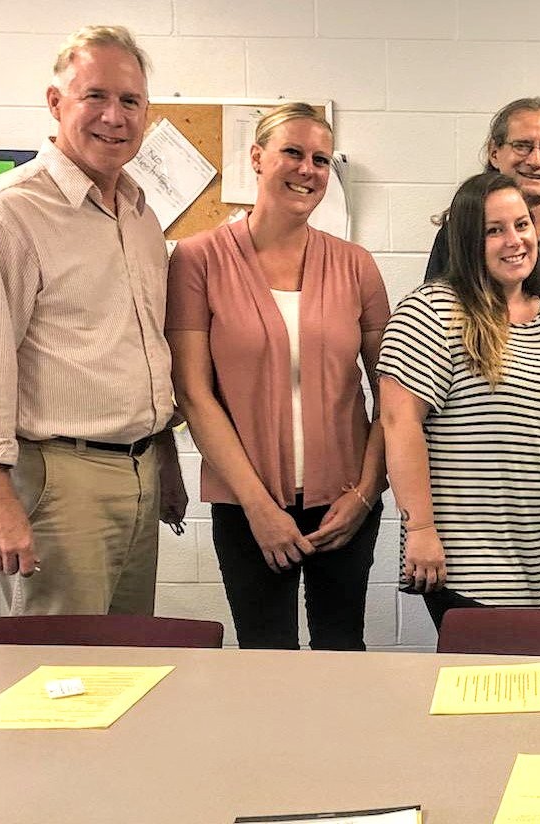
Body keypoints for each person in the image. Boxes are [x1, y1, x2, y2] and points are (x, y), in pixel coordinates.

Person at [0, 25, 186, 616]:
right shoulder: (5, 213)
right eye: (95, 96)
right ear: (55, 102)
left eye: (130, 101)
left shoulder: (142, 216)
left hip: (140, 470)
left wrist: (165, 459)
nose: (114, 117)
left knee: (126, 665)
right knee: (56, 678)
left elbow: (142, 350)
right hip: (57, 479)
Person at [166, 103, 388, 650]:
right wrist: (259, 508)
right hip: (247, 505)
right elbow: (194, 393)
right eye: (292, 152)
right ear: (258, 158)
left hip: (344, 506)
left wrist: (364, 494)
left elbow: (393, 394)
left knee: (343, 651)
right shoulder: (198, 260)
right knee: (266, 658)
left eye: (320, 159)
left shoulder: (355, 264)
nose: (306, 169)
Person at [380, 172, 540, 628]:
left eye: (522, 224)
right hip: (469, 563)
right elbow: (399, 424)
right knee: (484, 689)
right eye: (495, 230)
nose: (515, 240)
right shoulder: (431, 311)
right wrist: (421, 530)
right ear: (468, 239)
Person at [423, 97, 540, 311]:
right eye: (522, 146)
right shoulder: (459, 233)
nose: (536, 161)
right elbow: (436, 310)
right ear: (494, 153)